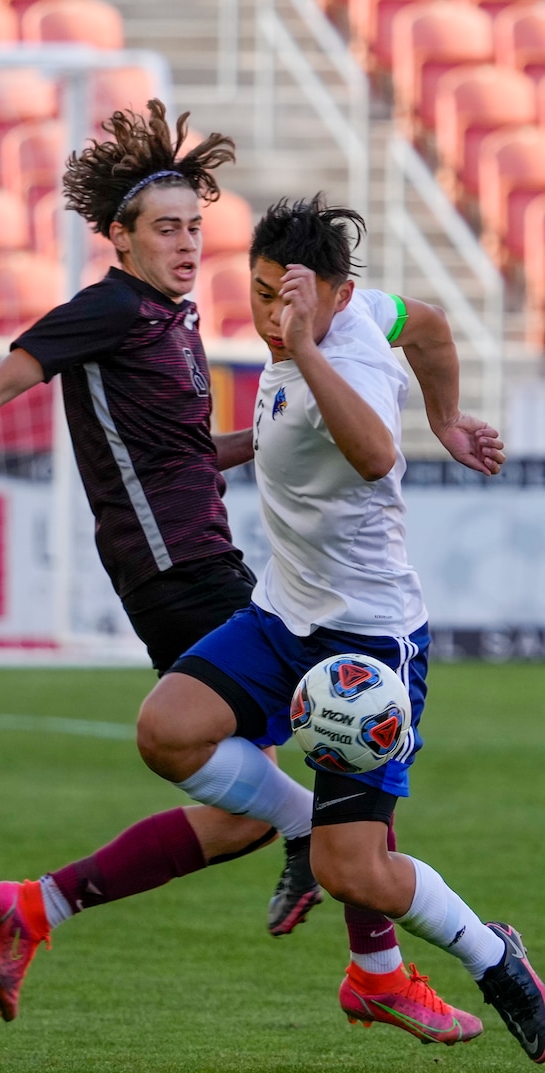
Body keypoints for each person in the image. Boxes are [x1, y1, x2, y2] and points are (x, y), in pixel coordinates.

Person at [0, 103, 504, 1032]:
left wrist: (269, 438)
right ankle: (378, 966)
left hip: (204, 556)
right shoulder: (110, 310)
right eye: (166, 229)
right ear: (119, 239)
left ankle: (39, 904)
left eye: (197, 227)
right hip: (178, 571)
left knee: (290, 777)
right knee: (345, 737)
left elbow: (190, 450)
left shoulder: (172, 315)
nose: (189, 244)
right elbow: (0, 380)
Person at [129, 195, 545, 1063]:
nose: (270, 313)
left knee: (351, 870)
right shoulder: (365, 312)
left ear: (333, 295)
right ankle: (296, 821)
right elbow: (426, 325)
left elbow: (371, 455)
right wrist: (447, 414)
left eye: (287, 297)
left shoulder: (333, 356)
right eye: (259, 291)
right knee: (167, 730)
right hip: (284, 616)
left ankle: (492, 955)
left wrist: (316, 350)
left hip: (367, 642)